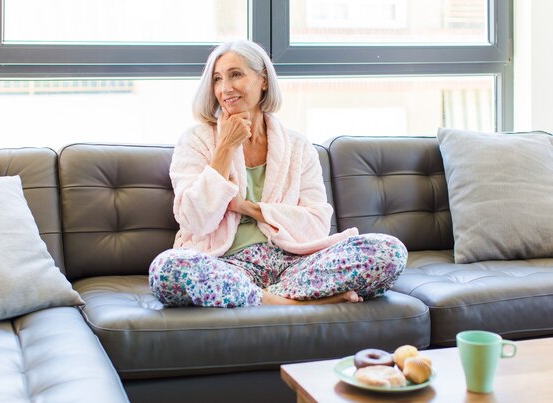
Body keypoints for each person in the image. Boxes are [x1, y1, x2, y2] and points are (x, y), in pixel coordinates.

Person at [149, 39, 407, 307]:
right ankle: (294, 303)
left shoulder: (298, 147)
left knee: (388, 251)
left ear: (263, 81)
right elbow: (194, 220)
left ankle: (260, 297)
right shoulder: (196, 140)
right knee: (168, 268)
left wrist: (247, 207)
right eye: (217, 79)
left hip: (294, 265)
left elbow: (317, 223)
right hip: (225, 266)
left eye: (235, 74)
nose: (225, 88)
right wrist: (225, 146)